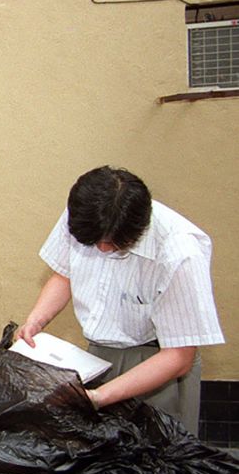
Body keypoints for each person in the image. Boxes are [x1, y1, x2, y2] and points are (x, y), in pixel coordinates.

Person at [16, 166, 224, 432]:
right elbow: (64, 275)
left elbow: (179, 357)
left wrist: (98, 397)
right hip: (97, 357)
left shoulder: (180, 253)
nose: (101, 250)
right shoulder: (86, 216)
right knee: (99, 459)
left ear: (138, 228)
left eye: (112, 243)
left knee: (156, 458)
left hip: (158, 366)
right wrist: (36, 320)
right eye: (93, 243)